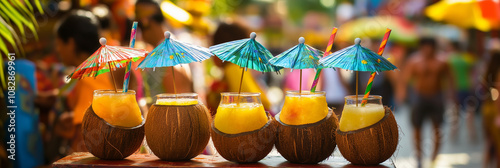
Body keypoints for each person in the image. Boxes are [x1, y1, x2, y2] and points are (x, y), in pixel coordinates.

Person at [54, 10, 114, 152]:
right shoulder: (102, 67)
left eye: (59, 44)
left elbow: (86, 139)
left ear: (71, 43)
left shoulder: (89, 77)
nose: (58, 50)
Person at [398, 38, 456, 167]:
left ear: (434, 48)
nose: (427, 50)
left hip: (436, 97)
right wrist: (402, 93)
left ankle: (434, 156)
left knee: (437, 128)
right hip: (419, 97)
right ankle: (419, 156)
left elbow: (451, 79)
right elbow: (405, 79)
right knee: (417, 128)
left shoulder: (442, 61)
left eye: (429, 47)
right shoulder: (414, 61)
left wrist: (452, 96)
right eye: (424, 47)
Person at [135, 0, 194, 97]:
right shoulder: (165, 49)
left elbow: (179, 105)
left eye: (140, 27)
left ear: (147, 22)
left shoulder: (169, 55)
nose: (139, 33)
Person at [481, 40, 500, 168]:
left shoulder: (487, 71)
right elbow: (497, 93)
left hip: (487, 108)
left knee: (490, 143)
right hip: (496, 110)